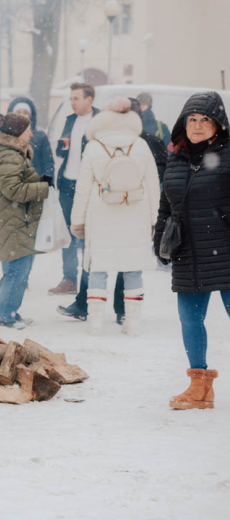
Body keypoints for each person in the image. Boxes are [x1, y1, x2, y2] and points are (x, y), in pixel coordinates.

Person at [153, 91, 230, 410]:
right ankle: (200, 387)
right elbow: (165, 206)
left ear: (217, 125)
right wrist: (160, 239)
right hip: (188, 252)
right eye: (192, 119)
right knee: (190, 321)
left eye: (205, 120)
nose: (198, 126)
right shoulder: (176, 158)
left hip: (224, 251)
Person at [69, 97, 160, 336]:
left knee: (98, 268)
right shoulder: (140, 146)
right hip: (135, 214)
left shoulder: (93, 147)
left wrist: (77, 220)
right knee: (132, 270)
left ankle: (96, 323)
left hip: (101, 215)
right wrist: (153, 219)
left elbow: (83, 188)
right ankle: (133, 322)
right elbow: (152, 185)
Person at [0, 97, 55, 291]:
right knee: (13, 244)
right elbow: (11, 185)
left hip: (29, 199)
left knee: (25, 244)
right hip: (18, 199)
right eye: (19, 112)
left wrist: (45, 181)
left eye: (26, 113)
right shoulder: (9, 150)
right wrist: (41, 187)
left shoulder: (37, 138)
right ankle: (11, 281)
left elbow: (48, 163)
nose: (23, 116)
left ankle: (18, 280)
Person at [50, 83, 100, 296]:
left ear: (89, 99)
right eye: (71, 98)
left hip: (88, 186)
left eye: (76, 98)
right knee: (68, 233)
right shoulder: (70, 120)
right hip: (68, 183)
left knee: (90, 234)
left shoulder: (99, 121)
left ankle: (90, 280)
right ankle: (69, 278)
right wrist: (63, 145)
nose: (72, 103)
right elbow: (63, 151)